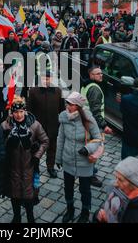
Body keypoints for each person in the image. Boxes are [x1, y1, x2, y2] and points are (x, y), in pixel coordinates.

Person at [1, 96, 49, 223]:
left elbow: (45, 141)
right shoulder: (5, 126)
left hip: (29, 167)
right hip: (12, 168)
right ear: (12, 113)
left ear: (25, 111)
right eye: (16, 112)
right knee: (14, 195)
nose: (18, 115)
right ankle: (16, 217)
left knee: (29, 196)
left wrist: (37, 155)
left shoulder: (34, 125)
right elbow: (0, 146)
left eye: (21, 111)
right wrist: (7, 142)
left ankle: (30, 217)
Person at [57, 92, 102, 223]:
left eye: (71, 104)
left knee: (85, 189)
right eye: (67, 103)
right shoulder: (64, 118)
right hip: (68, 159)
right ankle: (70, 209)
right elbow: (61, 139)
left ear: (78, 106)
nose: (68, 106)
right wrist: (58, 158)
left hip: (84, 162)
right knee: (68, 187)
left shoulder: (88, 119)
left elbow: (98, 139)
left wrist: (88, 149)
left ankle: (85, 211)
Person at [93, 157, 138, 223]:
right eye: (116, 177)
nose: (115, 184)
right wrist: (99, 215)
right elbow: (105, 210)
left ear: (134, 184)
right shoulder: (117, 190)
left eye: (120, 180)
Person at [27, 71, 65, 179]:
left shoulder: (58, 91)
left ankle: (50, 167)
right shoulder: (33, 91)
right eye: (43, 78)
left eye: (47, 79)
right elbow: (29, 111)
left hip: (53, 126)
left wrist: (59, 124)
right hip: (38, 127)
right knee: (36, 148)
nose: (45, 81)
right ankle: (35, 167)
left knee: (52, 148)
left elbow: (62, 109)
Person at [81, 67, 113, 188]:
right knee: (94, 149)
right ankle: (90, 175)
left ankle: (90, 170)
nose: (101, 75)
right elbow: (96, 111)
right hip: (93, 124)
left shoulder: (86, 85)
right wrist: (104, 125)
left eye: (101, 73)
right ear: (91, 75)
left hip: (86, 122)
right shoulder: (95, 89)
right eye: (98, 74)